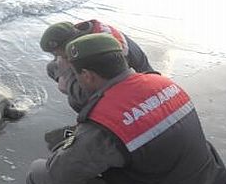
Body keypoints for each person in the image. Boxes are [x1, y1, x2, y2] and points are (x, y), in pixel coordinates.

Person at [27, 33, 226, 184]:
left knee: (39, 173)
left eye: (76, 74)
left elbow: (62, 173)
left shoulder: (105, 124)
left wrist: (69, 140)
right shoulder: (164, 83)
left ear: (87, 75)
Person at [40, 19, 154, 149]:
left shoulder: (99, 49)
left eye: (56, 53)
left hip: (138, 93)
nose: (55, 56)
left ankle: (98, 125)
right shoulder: (85, 32)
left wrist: (67, 79)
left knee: (77, 97)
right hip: (127, 77)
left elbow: (110, 81)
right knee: (52, 67)